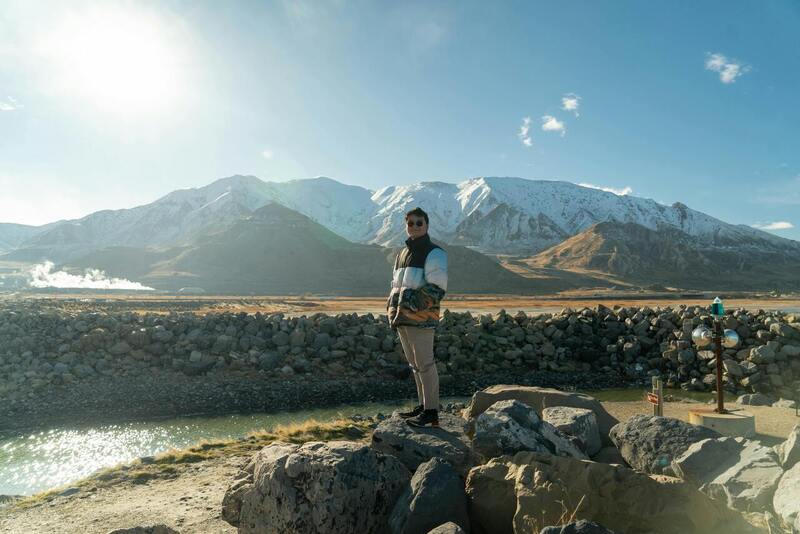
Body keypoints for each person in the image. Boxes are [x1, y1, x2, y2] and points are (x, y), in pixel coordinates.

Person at [387, 207, 447, 428]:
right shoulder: (402, 254)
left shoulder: (435, 253)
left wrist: (412, 305)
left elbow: (438, 288)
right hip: (402, 317)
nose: (414, 226)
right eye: (410, 223)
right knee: (415, 364)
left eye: (418, 222)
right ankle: (423, 407)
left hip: (421, 318)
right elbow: (396, 286)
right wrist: (392, 308)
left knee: (426, 363)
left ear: (427, 224)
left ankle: (431, 411)